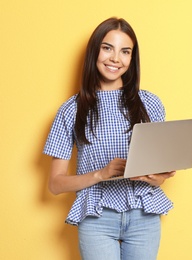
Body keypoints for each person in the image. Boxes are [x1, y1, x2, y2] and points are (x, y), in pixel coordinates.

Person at [43, 17, 175, 260]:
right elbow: (55, 183)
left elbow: (158, 180)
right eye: (107, 48)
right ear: (95, 51)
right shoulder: (71, 109)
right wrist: (101, 174)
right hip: (97, 219)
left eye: (125, 51)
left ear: (131, 59)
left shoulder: (151, 104)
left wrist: (157, 177)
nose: (116, 58)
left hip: (144, 217)